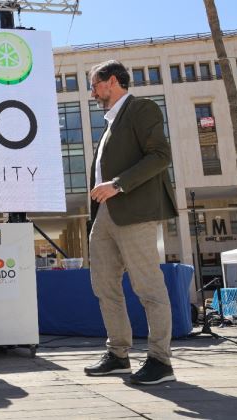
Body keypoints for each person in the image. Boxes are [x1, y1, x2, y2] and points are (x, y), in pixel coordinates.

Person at [83, 60, 178, 385]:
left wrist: (118, 184)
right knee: (105, 286)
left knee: (148, 287)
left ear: (111, 81)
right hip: (106, 215)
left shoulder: (142, 108)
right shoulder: (110, 122)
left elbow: (160, 156)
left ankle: (160, 362)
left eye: (94, 84)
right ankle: (118, 355)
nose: (92, 92)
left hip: (134, 210)